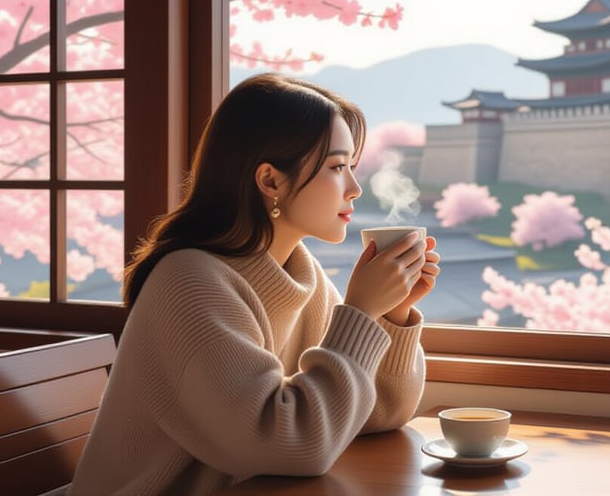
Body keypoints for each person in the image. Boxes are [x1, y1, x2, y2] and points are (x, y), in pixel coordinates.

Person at [69, 73, 440, 496]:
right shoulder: (189, 282)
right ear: (270, 181)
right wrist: (358, 314)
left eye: (352, 168)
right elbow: (292, 446)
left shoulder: (301, 274)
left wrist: (392, 313)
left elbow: (382, 411)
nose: (354, 189)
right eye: (338, 167)